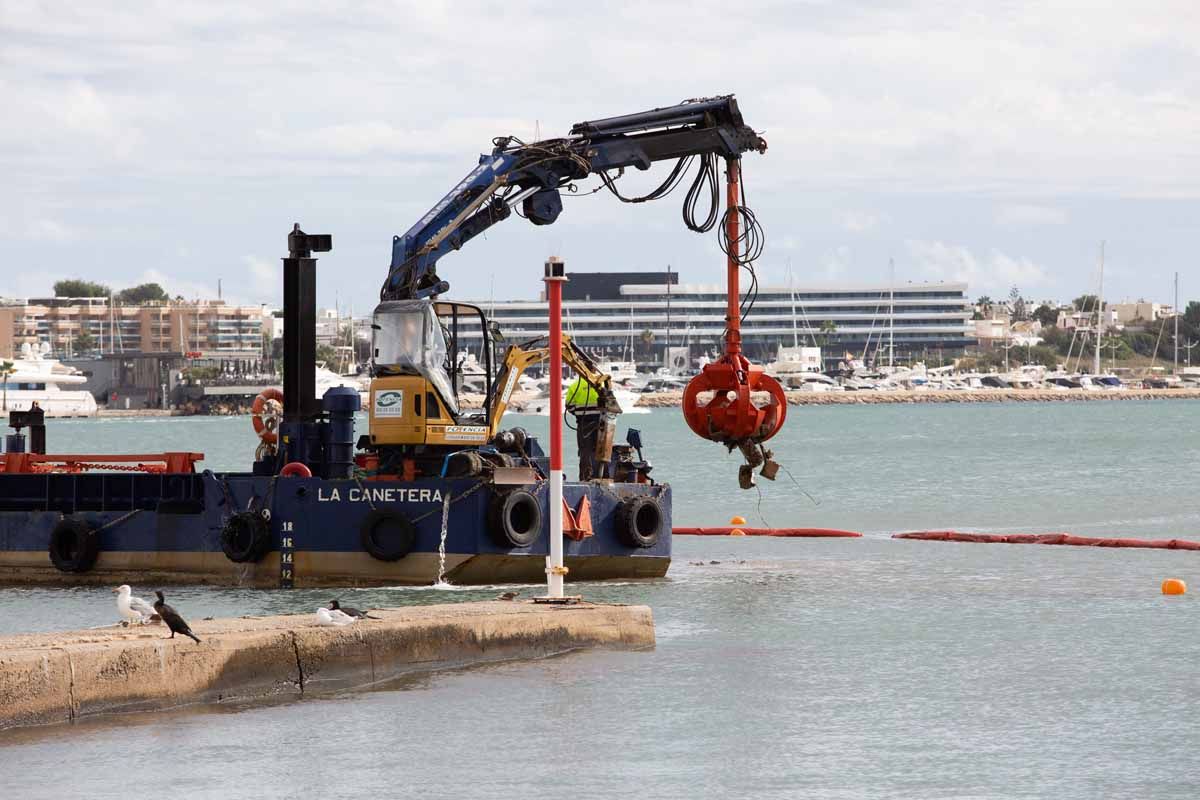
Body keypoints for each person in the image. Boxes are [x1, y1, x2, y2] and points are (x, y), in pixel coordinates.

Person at [565, 376, 605, 480]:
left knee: (585, 451)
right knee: (601, 451)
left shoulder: (575, 386)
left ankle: (585, 477)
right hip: (601, 422)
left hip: (583, 423)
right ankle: (601, 475)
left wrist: (580, 414)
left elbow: (569, 406)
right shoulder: (601, 384)